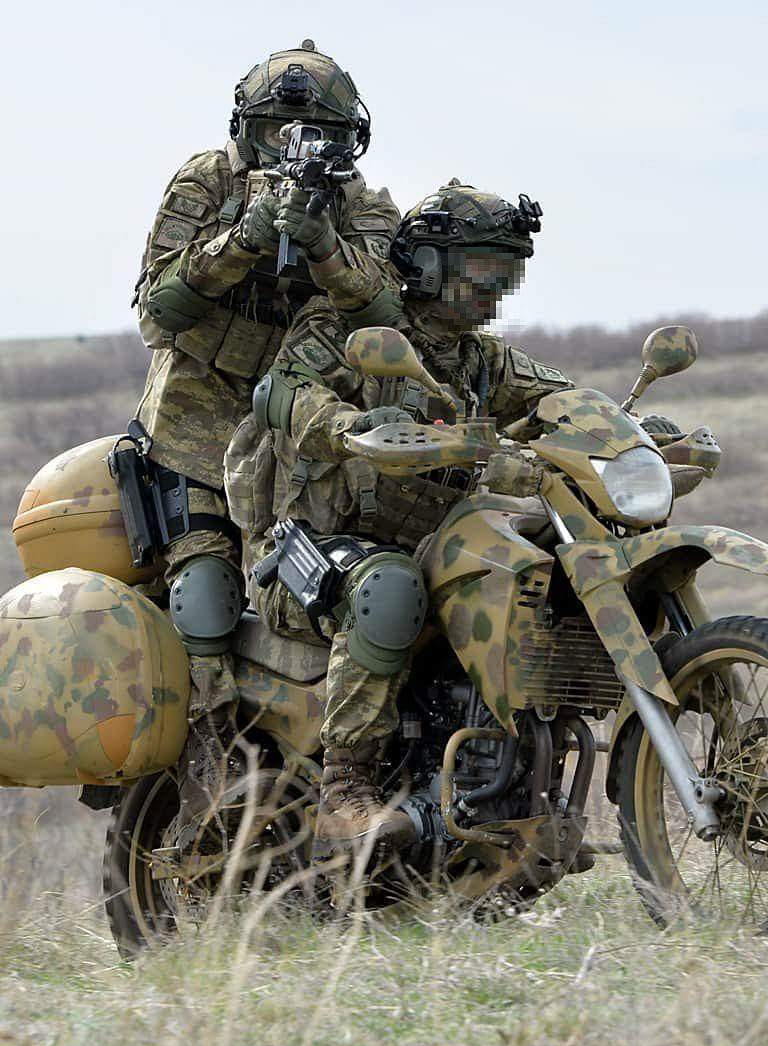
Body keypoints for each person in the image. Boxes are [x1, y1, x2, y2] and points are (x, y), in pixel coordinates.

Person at [226, 182, 574, 850]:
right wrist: (349, 427)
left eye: (508, 272)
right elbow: (282, 393)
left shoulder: (478, 360)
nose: (496, 287)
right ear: (433, 263)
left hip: (419, 552)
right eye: (483, 268)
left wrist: (626, 427)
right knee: (387, 587)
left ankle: (500, 788)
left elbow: (555, 397)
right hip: (307, 556)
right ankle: (344, 792)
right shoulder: (350, 330)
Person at [133, 40, 401, 817]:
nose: (297, 146)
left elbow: (387, 316)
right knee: (207, 590)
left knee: (330, 588)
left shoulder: (367, 208)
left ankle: (346, 766)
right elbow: (158, 310)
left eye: (319, 132)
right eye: (279, 129)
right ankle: (208, 758)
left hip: (299, 441)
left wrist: (322, 246)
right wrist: (243, 237)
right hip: (194, 428)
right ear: (245, 129)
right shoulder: (205, 182)